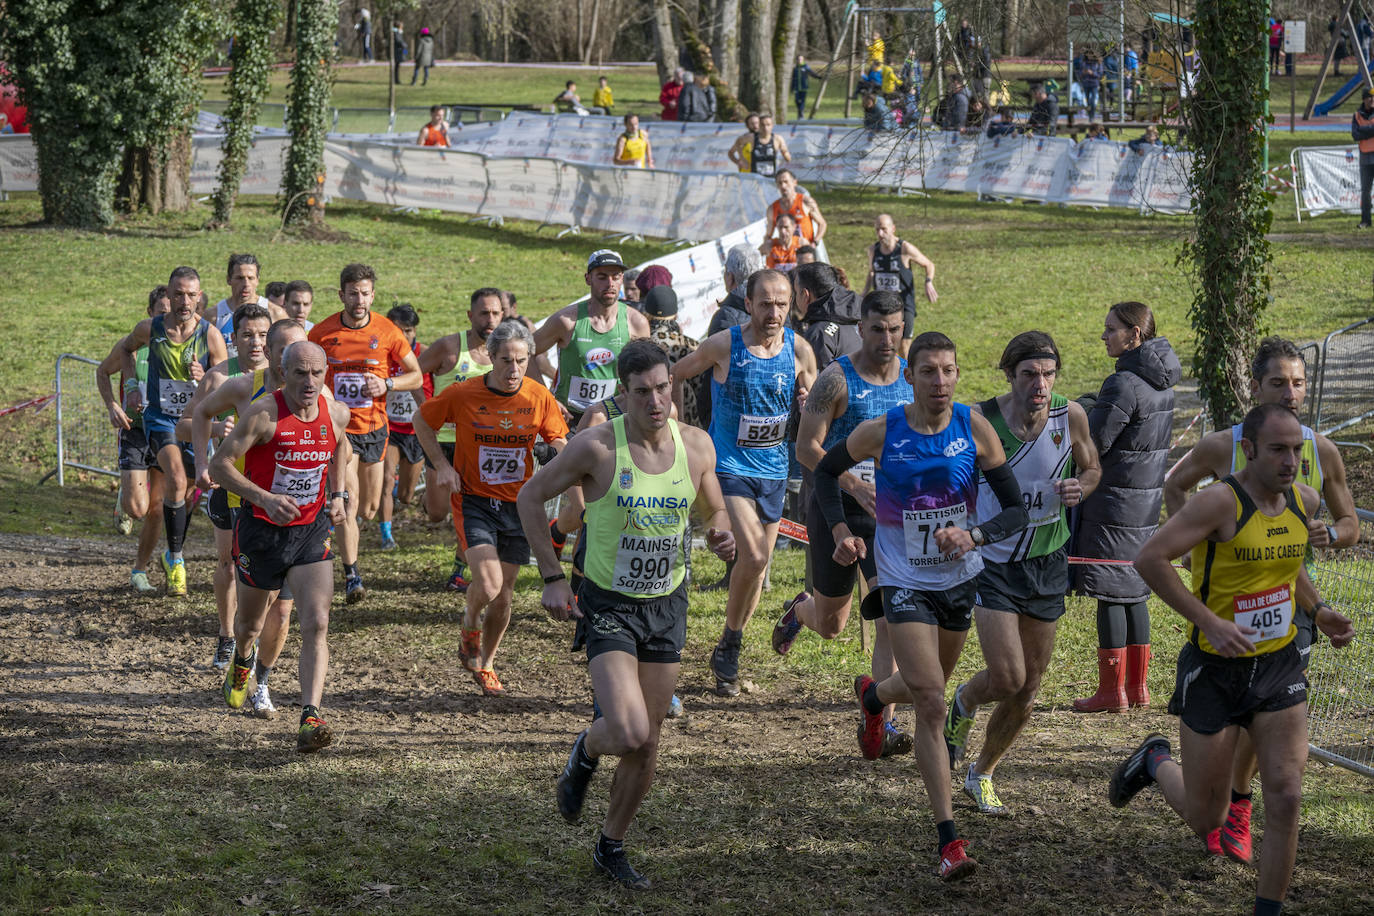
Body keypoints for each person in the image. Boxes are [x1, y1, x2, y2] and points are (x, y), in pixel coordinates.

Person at [1110, 403, 1355, 916]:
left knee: (1285, 796)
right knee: (1208, 819)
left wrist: (1321, 609)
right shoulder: (1218, 504)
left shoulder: (1303, 501)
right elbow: (1150, 560)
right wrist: (1209, 622)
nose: (1290, 461)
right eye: (1277, 450)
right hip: (1214, 671)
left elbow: (1286, 568)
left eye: (1295, 450)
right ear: (1247, 450)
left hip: (1278, 666)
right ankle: (1155, 762)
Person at [519, 341, 735, 891]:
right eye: (643, 392)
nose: (656, 401)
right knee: (627, 727)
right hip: (609, 603)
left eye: (664, 388)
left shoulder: (697, 445)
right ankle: (585, 751)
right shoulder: (596, 448)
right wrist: (551, 577)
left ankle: (610, 845)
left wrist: (721, 531)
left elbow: (713, 505)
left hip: (668, 602)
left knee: (648, 740)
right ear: (624, 394)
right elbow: (529, 496)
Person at [813, 331, 1028, 880]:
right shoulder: (882, 431)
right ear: (910, 377)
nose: (939, 381)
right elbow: (822, 471)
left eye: (948, 371)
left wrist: (974, 537)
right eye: (928, 371)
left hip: (958, 580)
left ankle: (874, 696)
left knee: (922, 684)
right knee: (933, 702)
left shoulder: (973, 427)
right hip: (902, 578)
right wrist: (840, 529)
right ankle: (948, 840)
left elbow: (1014, 512)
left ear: (958, 375)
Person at [1162, 336, 1360, 862]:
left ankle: (1242, 806)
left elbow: (1350, 525)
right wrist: (1193, 543)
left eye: (1298, 383)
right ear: (1255, 387)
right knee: (1239, 722)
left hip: (1294, 594)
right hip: (1228, 599)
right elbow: (1174, 486)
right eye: (1279, 383)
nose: (1291, 393)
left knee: (1267, 719)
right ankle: (1213, 800)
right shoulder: (1223, 447)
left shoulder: (1320, 450)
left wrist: (1330, 538)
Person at [942, 332, 1102, 814]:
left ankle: (982, 772)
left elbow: (1092, 468)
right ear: (1009, 375)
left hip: (1048, 559)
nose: (1041, 384)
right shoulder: (980, 419)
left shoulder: (1069, 414)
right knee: (1008, 676)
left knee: (1029, 689)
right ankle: (966, 701)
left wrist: (1081, 486)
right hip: (992, 560)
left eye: (1049, 374)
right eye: (1030, 374)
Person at [776, 290, 913, 756]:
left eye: (895, 329)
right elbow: (806, 448)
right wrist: (855, 484)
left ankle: (880, 721)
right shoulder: (837, 379)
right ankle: (801, 610)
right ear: (861, 326)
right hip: (836, 506)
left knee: (890, 619)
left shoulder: (914, 376)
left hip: (890, 517)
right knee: (832, 624)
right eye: (878, 329)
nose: (887, 339)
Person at [671, 269, 818, 696]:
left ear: (791, 306)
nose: (773, 312)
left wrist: (809, 402)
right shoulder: (725, 345)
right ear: (748, 304)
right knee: (754, 557)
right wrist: (678, 425)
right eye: (765, 303)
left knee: (757, 568)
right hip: (729, 466)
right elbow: (678, 372)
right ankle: (731, 646)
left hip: (773, 469)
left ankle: (728, 647)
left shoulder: (800, 349)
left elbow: (816, 396)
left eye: (781, 304)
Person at [415, 320, 569, 696]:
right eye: (506, 361)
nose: (513, 370)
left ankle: (486, 663)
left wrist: (566, 459)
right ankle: (470, 620)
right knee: (488, 583)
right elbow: (422, 419)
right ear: (491, 357)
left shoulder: (538, 396)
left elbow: (558, 438)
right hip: (474, 499)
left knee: (504, 594)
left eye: (520, 360)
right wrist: (442, 466)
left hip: (520, 504)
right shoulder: (464, 393)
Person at [211, 341, 352, 753]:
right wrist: (264, 498)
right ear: (281, 372)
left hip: (310, 532)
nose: (309, 383)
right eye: (300, 374)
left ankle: (310, 715)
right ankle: (242, 659)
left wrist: (339, 494)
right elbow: (220, 464)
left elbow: (342, 444)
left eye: (317, 373)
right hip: (261, 532)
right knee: (250, 626)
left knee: (318, 621)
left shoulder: (335, 411)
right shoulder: (264, 414)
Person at [189, 317, 311, 715]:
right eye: (288, 351)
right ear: (274, 354)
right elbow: (201, 413)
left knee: (284, 607)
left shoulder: (315, 392)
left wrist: (337, 494)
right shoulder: (246, 386)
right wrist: (202, 466)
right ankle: (240, 652)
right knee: (254, 610)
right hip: (248, 507)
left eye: (303, 350)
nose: (297, 359)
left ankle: (263, 681)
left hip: (299, 517)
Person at [1071, 301, 1181, 712]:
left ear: (1134, 334)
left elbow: (1094, 444)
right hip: (1146, 500)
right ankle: (1137, 688)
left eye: (1110, 329)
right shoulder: (1161, 382)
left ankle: (1110, 692)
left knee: (1111, 592)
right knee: (1134, 590)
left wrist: (1083, 410)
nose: (1104, 336)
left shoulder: (1124, 384)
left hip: (1114, 501)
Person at [108, 267, 228, 598]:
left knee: (186, 495)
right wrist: (131, 383)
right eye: (178, 294)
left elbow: (226, 380)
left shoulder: (211, 335)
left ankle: (170, 552)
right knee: (175, 479)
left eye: (192, 295)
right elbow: (125, 350)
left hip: (195, 422)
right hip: (161, 420)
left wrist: (205, 375)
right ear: (170, 295)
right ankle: (177, 561)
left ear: (200, 297)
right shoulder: (150, 328)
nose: (184, 301)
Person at [307, 263, 424, 603]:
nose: (359, 300)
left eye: (365, 293)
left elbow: (415, 375)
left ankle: (342, 533)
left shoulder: (387, 331)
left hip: (374, 428)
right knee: (349, 499)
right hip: (339, 430)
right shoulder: (322, 334)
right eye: (352, 293)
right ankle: (351, 574)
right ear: (341, 294)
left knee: (370, 508)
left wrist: (386, 383)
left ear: (373, 295)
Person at [534, 250, 650, 556]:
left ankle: (559, 533)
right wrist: (544, 397)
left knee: (598, 502)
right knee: (586, 506)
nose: (609, 283)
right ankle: (581, 576)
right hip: (568, 421)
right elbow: (526, 351)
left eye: (615, 276)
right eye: (602, 277)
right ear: (588, 279)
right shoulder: (567, 321)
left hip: (612, 420)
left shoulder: (636, 323)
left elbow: (647, 371)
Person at [182, 303, 272, 670]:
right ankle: (225, 634)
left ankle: (252, 634)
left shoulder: (282, 378)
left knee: (265, 569)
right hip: (227, 484)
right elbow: (185, 424)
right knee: (228, 563)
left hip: (268, 485)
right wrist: (215, 437)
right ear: (233, 339)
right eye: (247, 335)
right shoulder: (219, 379)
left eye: (263, 335)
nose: (256, 342)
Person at [418, 288, 504, 590]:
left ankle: (459, 571)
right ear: (471, 315)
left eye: (495, 313)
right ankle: (427, 499)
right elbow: (414, 372)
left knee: (468, 510)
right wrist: (425, 405)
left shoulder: (504, 355)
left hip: (481, 444)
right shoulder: (449, 347)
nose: (490, 319)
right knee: (438, 511)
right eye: (484, 313)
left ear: (503, 315)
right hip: (442, 441)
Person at [96, 286, 171, 595]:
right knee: (138, 509)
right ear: (149, 314)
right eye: (161, 312)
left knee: (157, 509)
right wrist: (113, 405)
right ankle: (126, 495)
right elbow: (103, 372)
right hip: (135, 430)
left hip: (166, 430)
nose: (167, 318)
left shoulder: (184, 350)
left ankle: (139, 571)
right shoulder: (133, 346)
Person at [378, 304, 434, 550]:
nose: (402, 336)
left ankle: (400, 494)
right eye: (396, 330)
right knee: (386, 480)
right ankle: (386, 536)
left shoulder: (427, 354)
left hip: (416, 431)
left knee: (405, 496)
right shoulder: (381, 354)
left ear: (415, 331)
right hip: (389, 429)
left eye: (408, 330)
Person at [863, 213, 937, 347]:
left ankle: (907, 368)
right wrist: (864, 294)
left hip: (903, 305)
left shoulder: (904, 248)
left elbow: (929, 264)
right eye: (877, 230)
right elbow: (871, 272)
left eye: (884, 229)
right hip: (881, 306)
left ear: (893, 228)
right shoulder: (873, 250)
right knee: (884, 345)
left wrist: (928, 282)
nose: (880, 233)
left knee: (903, 346)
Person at [639, 286, 701, 429]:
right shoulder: (692, 346)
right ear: (676, 315)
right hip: (688, 423)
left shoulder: (637, 344)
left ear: (646, 313)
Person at [793, 262, 860, 371]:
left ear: (805, 295)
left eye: (796, 292)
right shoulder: (863, 316)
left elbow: (819, 384)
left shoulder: (819, 334)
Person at [212, 254, 274, 362]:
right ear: (228, 280)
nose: (246, 284)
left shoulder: (275, 313)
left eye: (251, 278)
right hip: (226, 377)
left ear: (257, 280)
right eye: (240, 278)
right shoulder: (213, 316)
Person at [766, 169, 826, 245]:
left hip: (804, 251)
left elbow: (822, 224)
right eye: (780, 183)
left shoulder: (806, 202)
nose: (783, 186)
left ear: (794, 182)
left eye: (786, 182)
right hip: (785, 253)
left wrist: (815, 243)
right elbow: (768, 235)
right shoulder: (772, 209)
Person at [1353, 89, 1374, 229]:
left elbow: (1360, 132)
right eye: (1369, 97)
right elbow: (1355, 135)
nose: (1372, 100)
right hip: (1365, 158)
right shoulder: (1356, 116)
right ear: (1364, 99)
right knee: (1365, 191)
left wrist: (1364, 130)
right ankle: (1365, 220)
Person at [747, 112, 790, 178]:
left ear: (772, 125)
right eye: (762, 125)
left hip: (771, 177)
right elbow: (734, 149)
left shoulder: (778, 139)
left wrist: (785, 153)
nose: (765, 128)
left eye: (768, 125)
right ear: (759, 126)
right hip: (755, 178)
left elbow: (788, 159)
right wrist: (741, 159)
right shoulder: (751, 138)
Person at [1077, 50, 1102, 122]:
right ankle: (1090, 116)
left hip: (1094, 84)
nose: (1089, 56)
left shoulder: (1097, 63)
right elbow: (1079, 74)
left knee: (1093, 101)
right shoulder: (1083, 63)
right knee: (1087, 102)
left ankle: (1092, 116)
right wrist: (1083, 73)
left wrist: (1092, 73)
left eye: (1090, 54)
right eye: (1088, 54)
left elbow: (1100, 74)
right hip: (1086, 84)